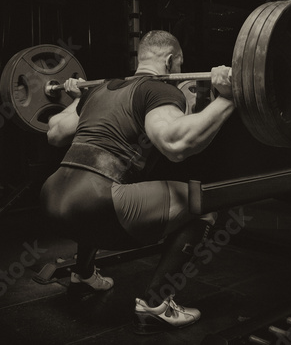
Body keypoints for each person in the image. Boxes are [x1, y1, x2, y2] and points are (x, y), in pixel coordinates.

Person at [40, 30, 235, 334]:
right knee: (203, 202)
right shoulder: (159, 90)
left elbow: (54, 133)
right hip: (96, 203)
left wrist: (77, 100)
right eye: (180, 65)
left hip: (52, 198)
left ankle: (83, 274)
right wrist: (227, 99)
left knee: (99, 190)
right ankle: (157, 304)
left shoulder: (101, 90)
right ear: (171, 61)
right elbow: (174, 143)